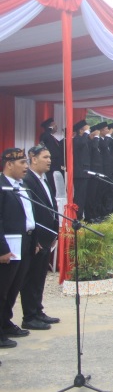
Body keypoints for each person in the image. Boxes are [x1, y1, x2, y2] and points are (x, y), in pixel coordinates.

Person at [20, 144, 60, 331]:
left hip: (47, 236)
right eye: (45, 157)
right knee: (31, 278)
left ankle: (38, 310)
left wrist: (55, 231)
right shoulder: (28, 181)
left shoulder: (45, 179)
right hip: (36, 238)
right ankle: (29, 315)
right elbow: (31, 212)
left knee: (39, 277)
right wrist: (36, 238)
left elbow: (51, 207)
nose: (49, 160)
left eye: (50, 156)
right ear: (33, 159)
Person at [0, 148, 36, 348]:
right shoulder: (2, 186)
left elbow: (29, 215)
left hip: (24, 241)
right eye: (22, 162)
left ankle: (5, 323)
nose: (26, 166)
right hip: (8, 246)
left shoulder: (21, 186)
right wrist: (2, 249)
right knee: (2, 290)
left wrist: (35, 239)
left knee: (14, 288)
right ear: (9, 164)